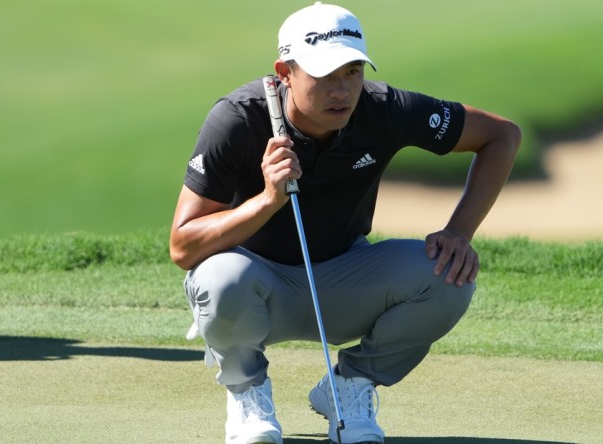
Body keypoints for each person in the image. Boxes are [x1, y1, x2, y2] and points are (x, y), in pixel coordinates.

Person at [169, 2, 521, 443]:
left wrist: (459, 232)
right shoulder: (238, 119)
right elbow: (183, 247)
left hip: (343, 280)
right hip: (255, 288)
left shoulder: (384, 109)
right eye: (324, 76)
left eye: (352, 72)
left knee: (449, 275)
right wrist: (266, 200)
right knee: (218, 279)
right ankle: (248, 394)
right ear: (286, 71)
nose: (342, 90)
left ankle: (348, 388)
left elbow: (502, 136)